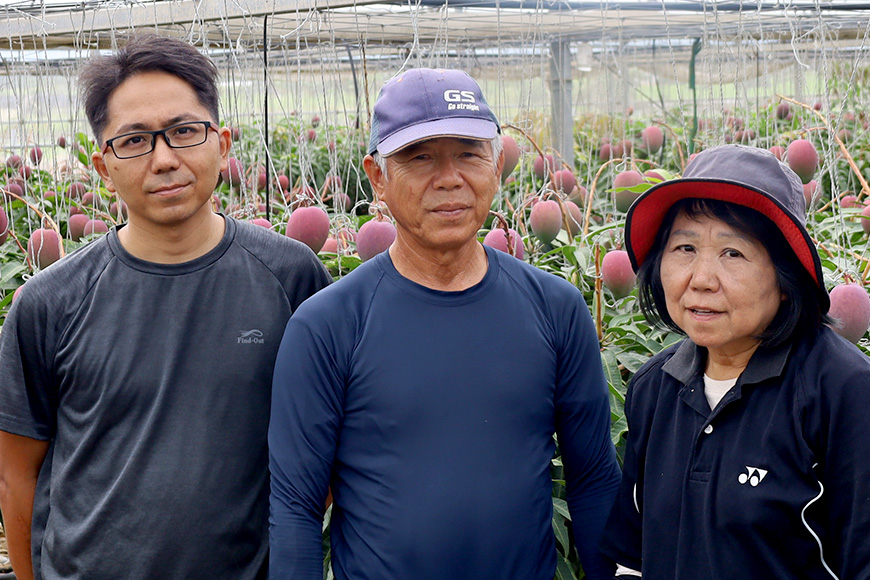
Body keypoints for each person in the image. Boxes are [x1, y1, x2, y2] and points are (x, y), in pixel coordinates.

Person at [0, 34, 331, 580]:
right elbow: (17, 475)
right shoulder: (49, 302)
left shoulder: (293, 278)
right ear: (103, 166)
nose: (164, 159)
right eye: (133, 141)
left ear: (222, 143)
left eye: (183, 131)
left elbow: (324, 445)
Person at [268, 67, 621, 580]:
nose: (450, 177)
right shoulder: (328, 325)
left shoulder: (556, 308)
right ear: (377, 177)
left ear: (497, 165)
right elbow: (296, 507)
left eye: (468, 153)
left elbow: (593, 483)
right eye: (419, 157)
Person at [600, 144, 870, 578]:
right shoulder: (654, 387)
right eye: (684, 248)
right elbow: (633, 555)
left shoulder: (843, 391)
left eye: (733, 253)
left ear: (786, 277)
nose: (701, 280)